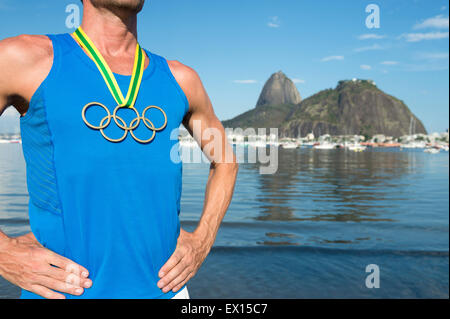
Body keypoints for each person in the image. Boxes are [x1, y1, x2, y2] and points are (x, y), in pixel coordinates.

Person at [0, 0, 238, 299]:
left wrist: (202, 241)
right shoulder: (22, 58)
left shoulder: (181, 79)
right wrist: (4, 253)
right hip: (65, 292)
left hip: (167, 291)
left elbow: (225, 161)